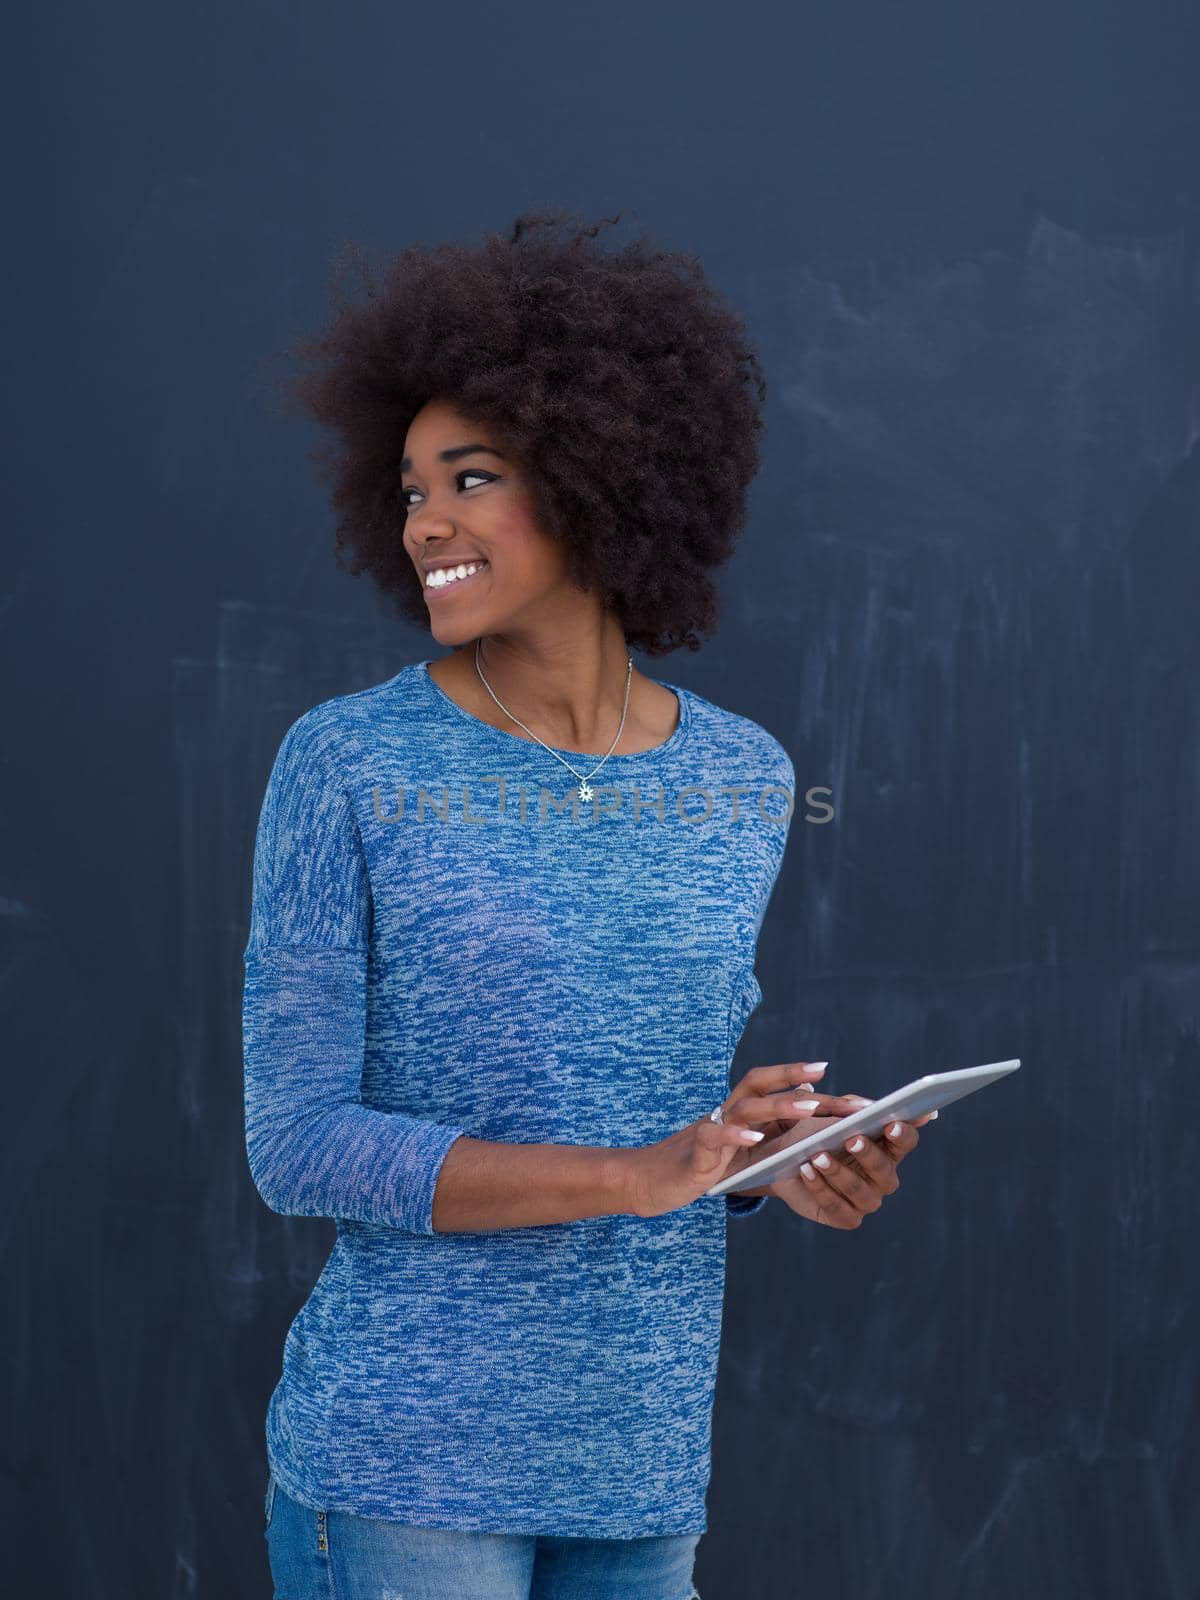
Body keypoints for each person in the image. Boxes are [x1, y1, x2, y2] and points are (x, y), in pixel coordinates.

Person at [242, 207, 931, 1600]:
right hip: (407, 1478)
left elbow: (654, 1112)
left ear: (598, 474)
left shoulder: (745, 779)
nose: (423, 519)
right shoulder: (351, 764)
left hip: (642, 1467)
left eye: (470, 477)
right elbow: (299, 1144)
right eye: (410, 487)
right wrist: (635, 1176)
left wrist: (762, 1162)